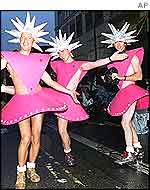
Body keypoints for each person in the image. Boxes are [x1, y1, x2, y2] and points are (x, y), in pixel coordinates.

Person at [1, 12, 79, 189]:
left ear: (34, 41)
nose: (26, 40)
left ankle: (32, 168)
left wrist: (69, 91)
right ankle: (20, 173)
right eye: (23, 37)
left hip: (38, 101)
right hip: (21, 102)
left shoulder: (38, 60)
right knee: (25, 137)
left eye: (29, 38)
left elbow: (50, 81)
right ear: (19, 40)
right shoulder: (9, 58)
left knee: (36, 137)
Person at [45, 30, 128, 166]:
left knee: (64, 129)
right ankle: (68, 152)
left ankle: (68, 152)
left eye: (65, 50)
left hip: (71, 99)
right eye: (59, 51)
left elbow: (94, 63)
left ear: (71, 51)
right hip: (59, 99)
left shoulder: (80, 65)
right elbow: (42, 62)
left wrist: (111, 59)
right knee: (61, 130)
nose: (62, 53)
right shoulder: (56, 64)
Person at [81, 22, 149, 165]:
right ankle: (138, 148)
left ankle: (129, 152)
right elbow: (113, 80)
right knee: (128, 122)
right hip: (122, 93)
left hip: (132, 91)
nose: (118, 44)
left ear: (126, 43)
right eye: (116, 42)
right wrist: (107, 79)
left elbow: (139, 76)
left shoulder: (132, 56)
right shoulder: (113, 62)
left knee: (125, 122)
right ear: (113, 44)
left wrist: (121, 78)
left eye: (121, 42)